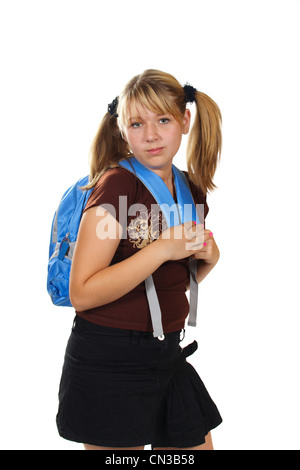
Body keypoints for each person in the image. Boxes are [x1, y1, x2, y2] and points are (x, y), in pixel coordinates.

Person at [56, 69, 223, 450]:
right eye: (137, 123)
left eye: (163, 119)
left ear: (184, 120)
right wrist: (163, 248)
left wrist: (208, 259)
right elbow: (81, 292)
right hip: (109, 358)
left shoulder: (190, 189)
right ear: (122, 128)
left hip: (167, 353)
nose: (150, 135)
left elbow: (171, 282)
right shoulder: (117, 185)